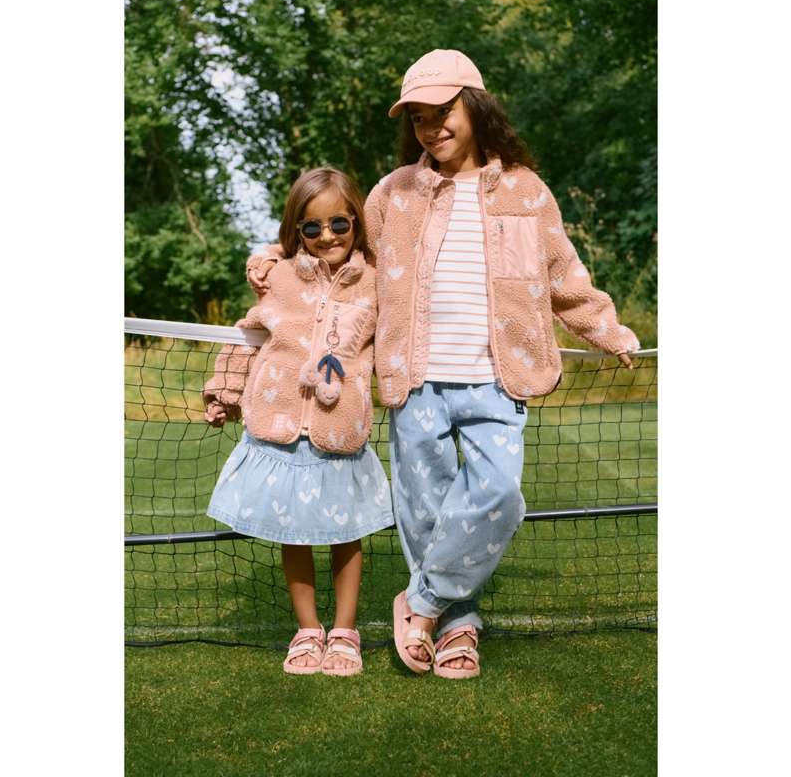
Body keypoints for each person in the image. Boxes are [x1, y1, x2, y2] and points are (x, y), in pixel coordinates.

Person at [247, 49, 640, 679]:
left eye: (443, 112)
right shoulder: (393, 193)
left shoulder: (526, 192)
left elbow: (563, 276)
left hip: (498, 379)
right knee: (427, 511)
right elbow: (344, 252)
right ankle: (460, 626)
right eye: (419, 118)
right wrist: (276, 255)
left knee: (498, 495)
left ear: (476, 106)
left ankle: (422, 602)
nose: (432, 128)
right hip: (415, 379)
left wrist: (607, 330)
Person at [203, 167, 393, 677]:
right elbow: (248, 336)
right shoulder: (280, 278)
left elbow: (396, 341)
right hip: (281, 426)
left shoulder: (376, 283)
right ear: (296, 229)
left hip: (340, 429)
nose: (327, 235)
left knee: (346, 535)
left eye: (338, 223)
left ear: (356, 221)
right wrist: (224, 392)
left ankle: (345, 631)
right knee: (296, 534)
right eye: (312, 227)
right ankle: (308, 630)